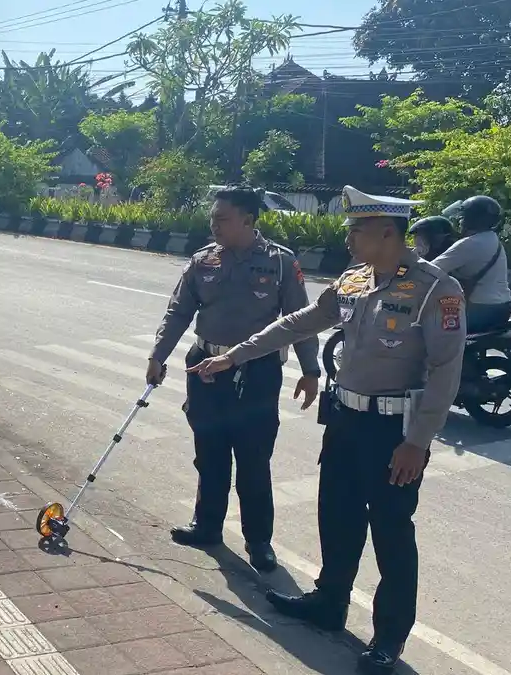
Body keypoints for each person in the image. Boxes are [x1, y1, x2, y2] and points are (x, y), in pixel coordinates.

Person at [187, 185, 466, 674]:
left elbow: (446, 370)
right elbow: (300, 322)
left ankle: (387, 639)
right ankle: (329, 602)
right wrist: (235, 354)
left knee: (391, 534)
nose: (350, 239)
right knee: (337, 516)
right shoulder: (354, 280)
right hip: (344, 419)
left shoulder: (435, 290)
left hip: (393, 431)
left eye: (357, 229)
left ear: (387, 231)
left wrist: (417, 442)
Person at [145, 185, 321, 573]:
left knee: (254, 458)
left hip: (256, 373)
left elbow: (302, 321)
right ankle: (207, 525)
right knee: (209, 452)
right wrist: (158, 355)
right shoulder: (202, 261)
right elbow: (178, 313)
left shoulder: (279, 263)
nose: (214, 225)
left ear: (248, 220)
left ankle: (258, 540)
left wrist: (311, 371)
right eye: (213, 218)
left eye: (222, 219)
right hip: (204, 365)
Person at [432, 195, 511, 333]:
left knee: (432, 326)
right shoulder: (492, 238)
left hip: (480, 309)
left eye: (463, 217)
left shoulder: (469, 244)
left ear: (471, 219)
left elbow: (430, 269)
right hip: (503, 307)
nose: (460, 221)